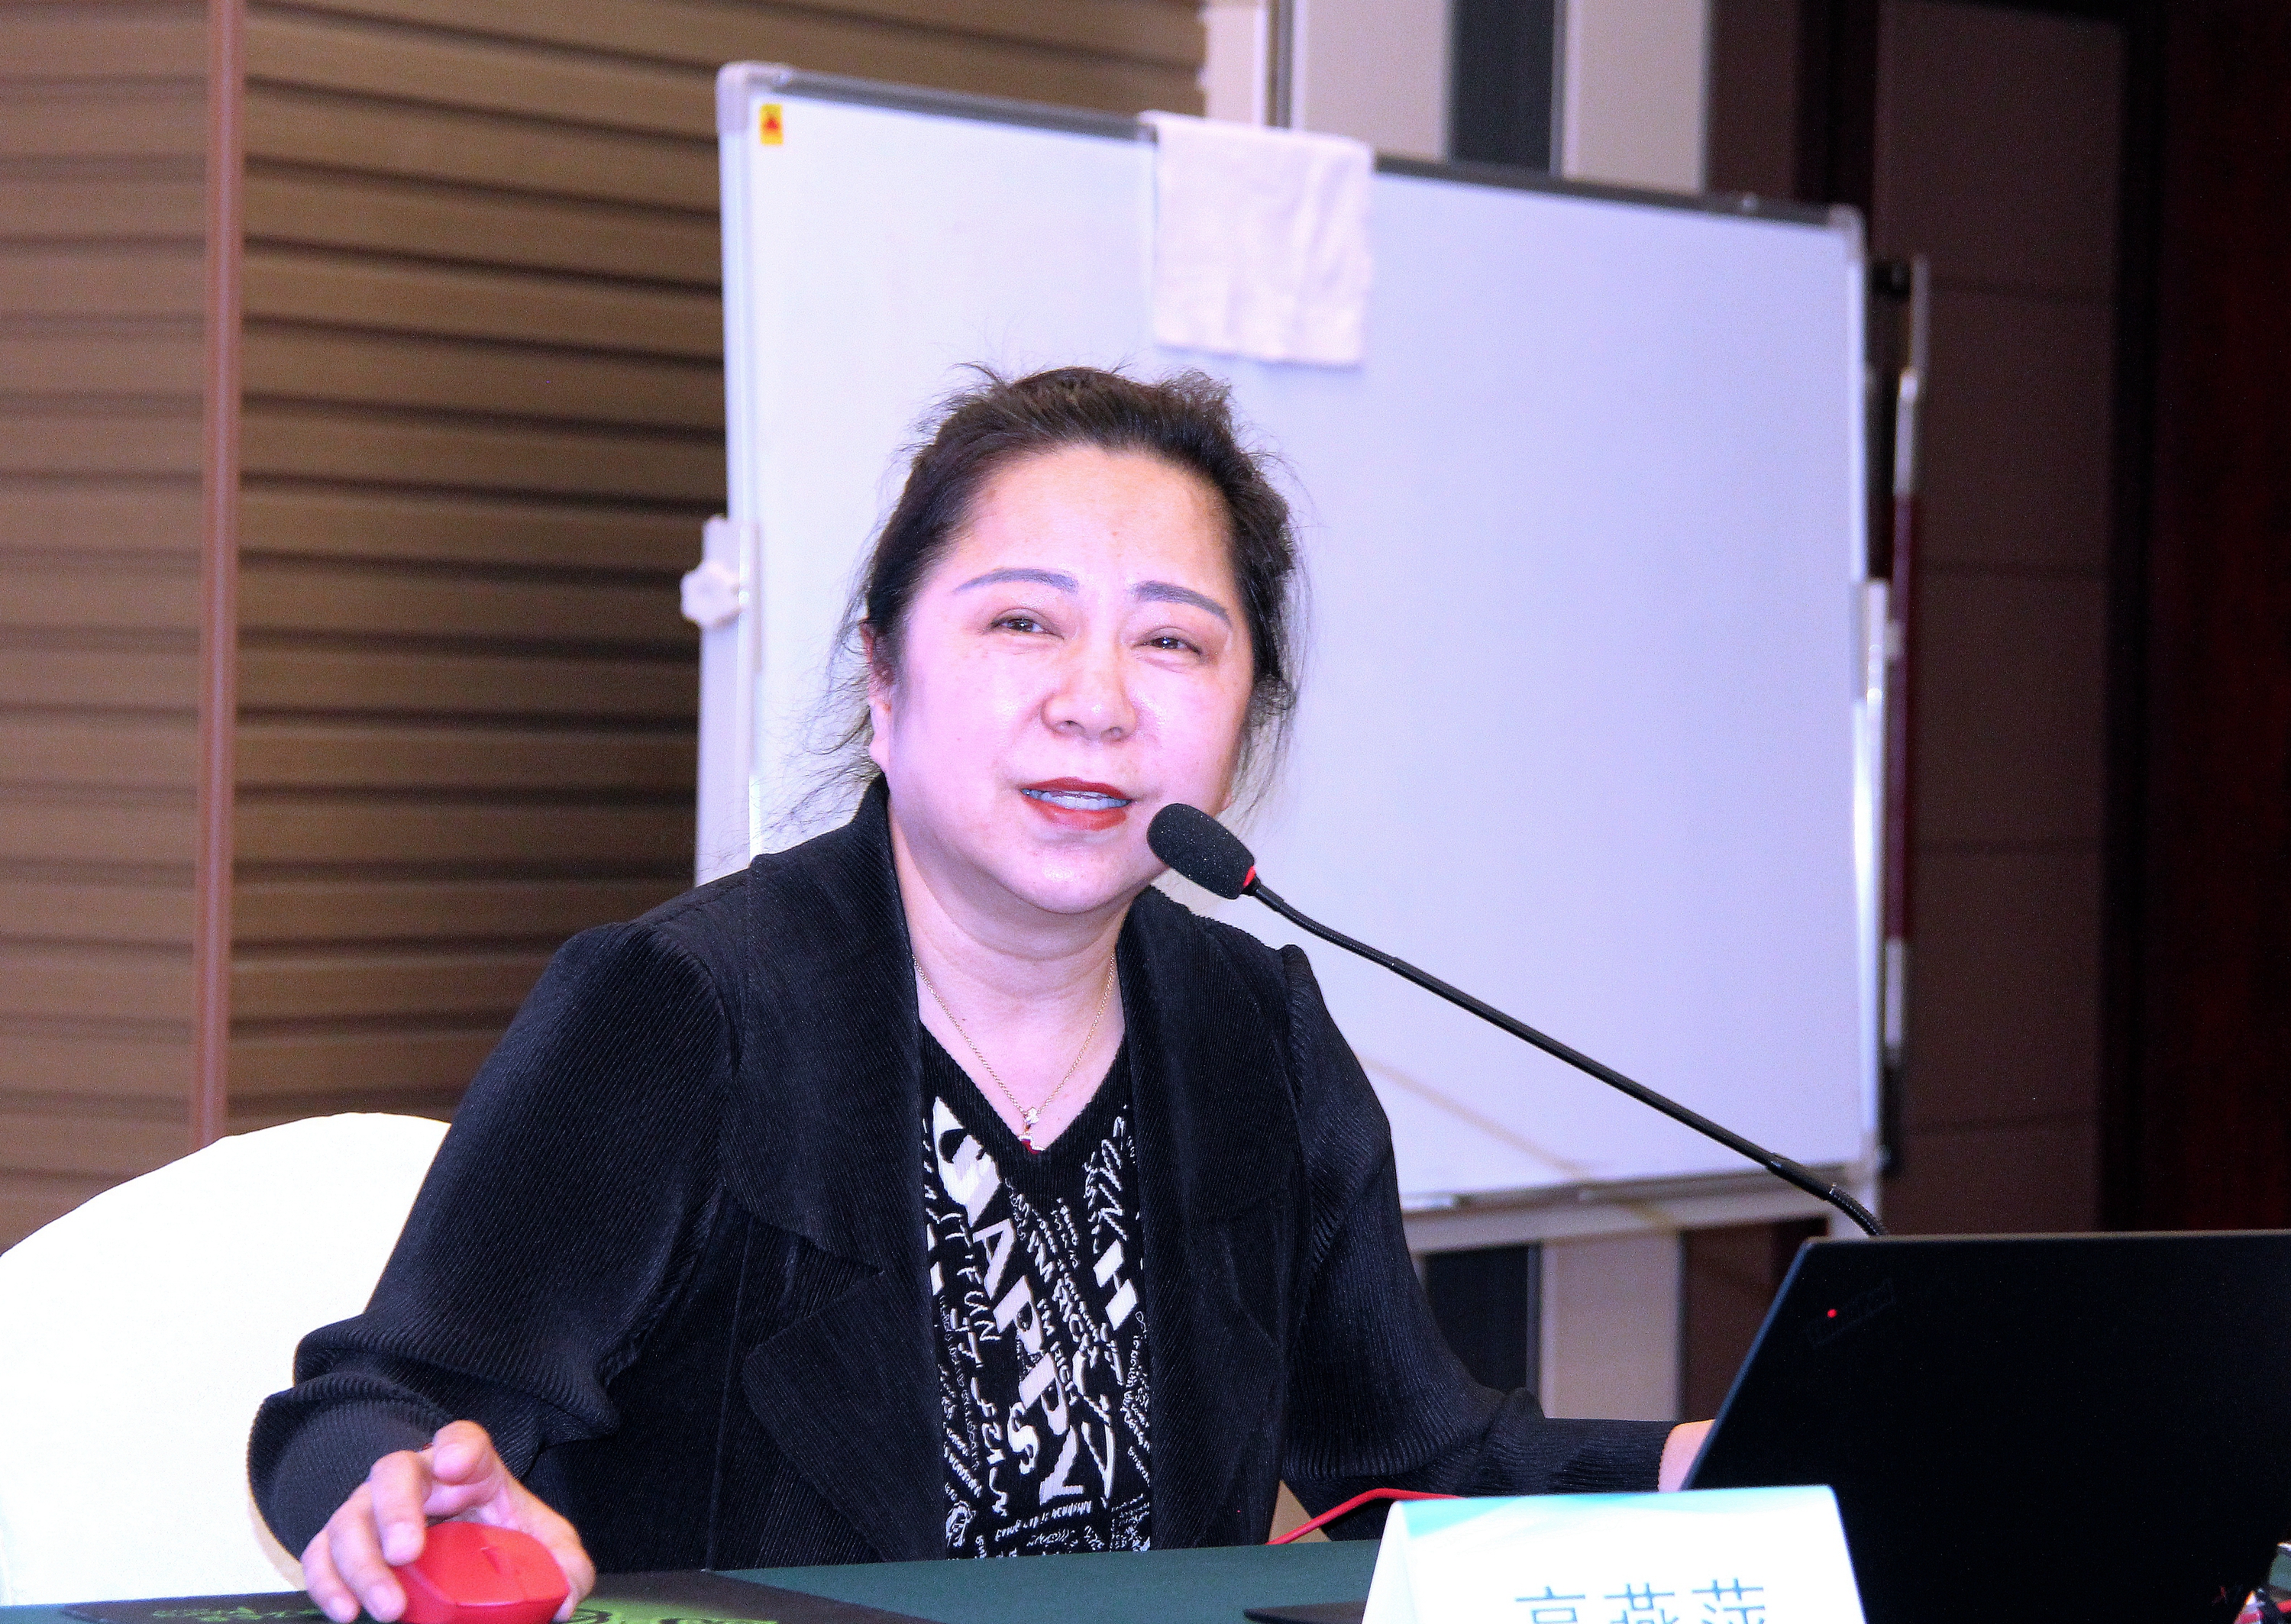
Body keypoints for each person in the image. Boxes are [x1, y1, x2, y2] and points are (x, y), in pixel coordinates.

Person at [250, 367, 1713, 1624]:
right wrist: (402, 1494)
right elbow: (373, 1406)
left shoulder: (1253, 1032)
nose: (1098, 701)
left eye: (1173, 642)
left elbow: (1415, 1467)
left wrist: (1699, 1467)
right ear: (884, 682)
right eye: (1023, 624)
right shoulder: (683, 1010)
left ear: (1245, 717)